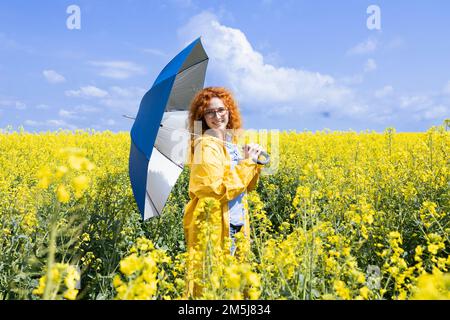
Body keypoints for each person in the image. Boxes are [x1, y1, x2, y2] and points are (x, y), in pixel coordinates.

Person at [183, 87, 263, 297]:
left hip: (237, 223)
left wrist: (252, 161)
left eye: (221, 110)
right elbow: (215, 190)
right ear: (202, 117)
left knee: (236, 287)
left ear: (229, 111)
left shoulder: (230, 144)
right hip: (216, 225)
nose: (217, 116)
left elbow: (248, 186)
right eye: (210, 112)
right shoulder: (206, 146)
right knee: (212, 285)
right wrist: (246, 164)